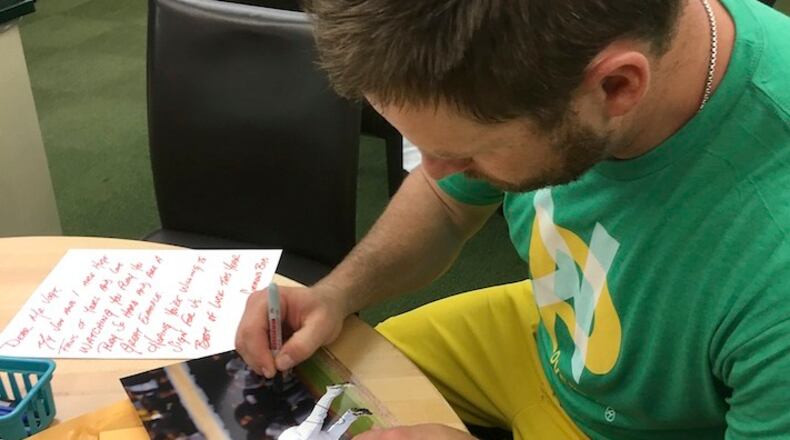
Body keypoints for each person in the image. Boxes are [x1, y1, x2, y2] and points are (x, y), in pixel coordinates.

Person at [236, 0, 790, 438]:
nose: (432, 172)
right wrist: (337, 293)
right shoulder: (560, 71)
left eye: (467, 154)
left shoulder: (773, 272)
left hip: (651, 423)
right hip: (553, 329)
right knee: (334, 374)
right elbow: (447, 201)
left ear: (617, 86)